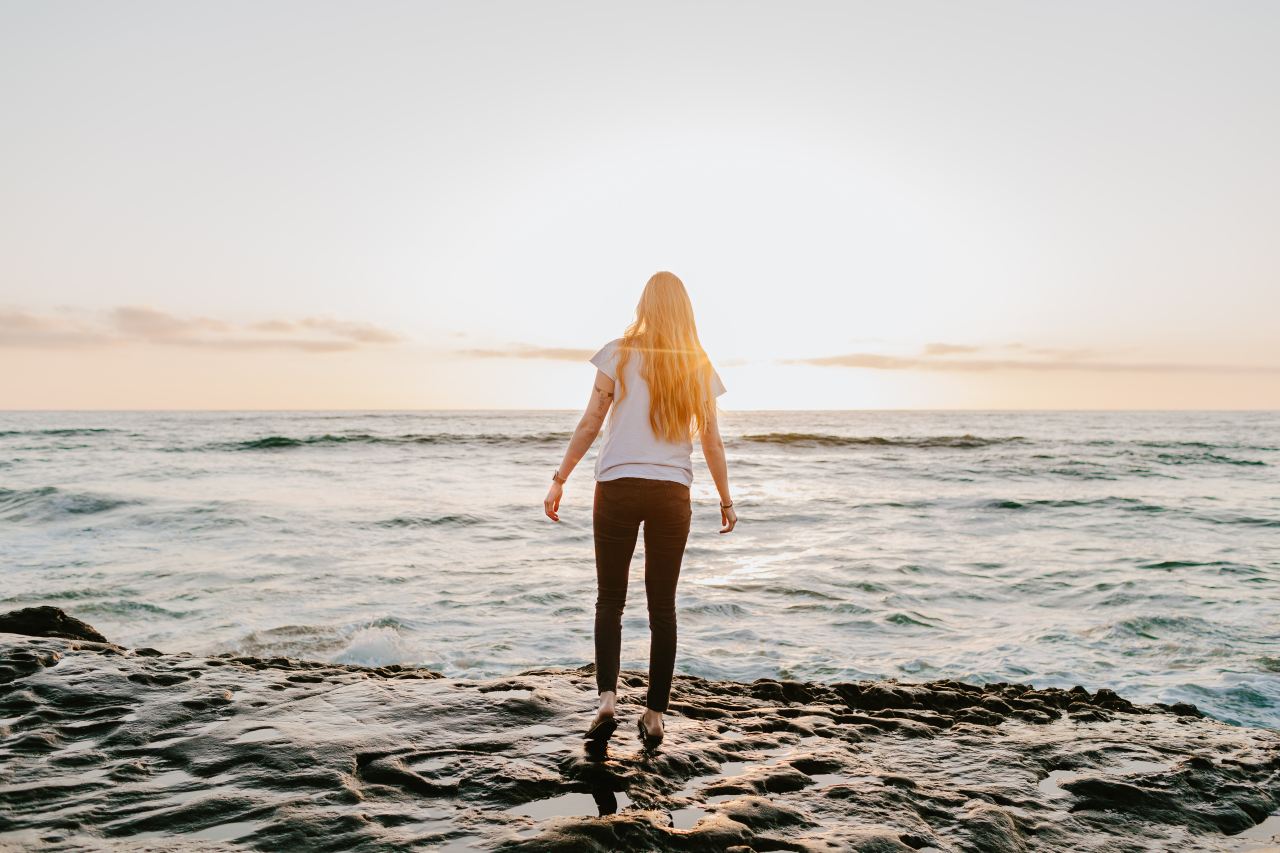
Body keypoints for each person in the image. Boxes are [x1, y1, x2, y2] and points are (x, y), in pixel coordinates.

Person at [543, 270, 737, 752]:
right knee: (662, 607)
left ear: (644, 305)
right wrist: (726, 498)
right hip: (672, 492)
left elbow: (592, 421)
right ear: (685, 309)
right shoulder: (697, 364)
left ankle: (607, 700)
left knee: (610, 600)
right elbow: (711, 440)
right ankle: (653, 716)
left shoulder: (618, 352)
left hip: (617, 485)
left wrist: (560, 477)